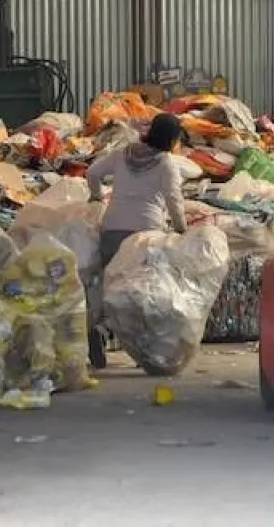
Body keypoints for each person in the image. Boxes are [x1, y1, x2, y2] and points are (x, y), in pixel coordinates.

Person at [84, 112, 188, 367]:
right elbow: (174, 199)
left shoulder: (123, 153)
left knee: (112, 286)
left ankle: (101, 328)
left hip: (112, 230)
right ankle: (144, 349)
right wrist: (181, 228)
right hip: (145, 234)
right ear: (172, 139)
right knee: (142, 294)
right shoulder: (166, 163)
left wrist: (97, 197)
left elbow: (92, 173)